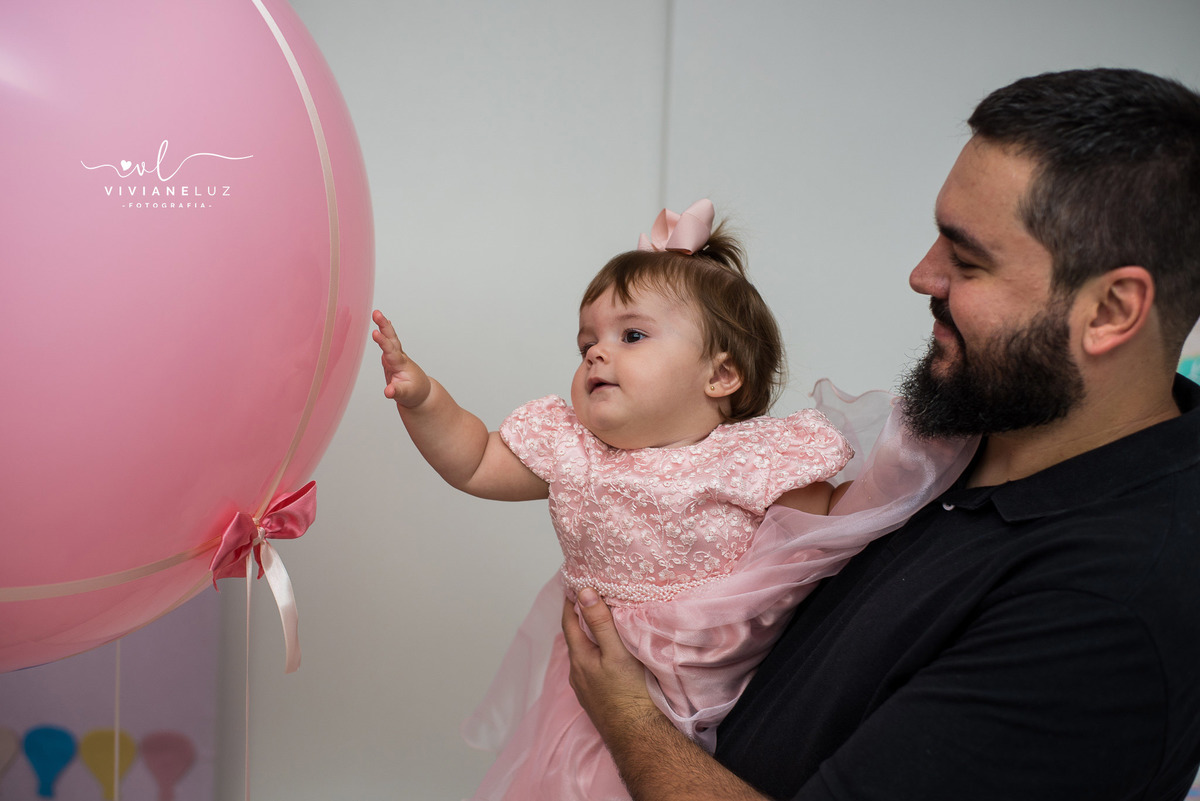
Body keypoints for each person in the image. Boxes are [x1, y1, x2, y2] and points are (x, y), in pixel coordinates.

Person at [562, 67, 1200, 800]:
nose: (920, 275)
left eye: (967, 260)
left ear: (1112, 310)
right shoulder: (971, 430)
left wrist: (626, 715)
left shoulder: (1108, 611)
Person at [372, 201, 972, 800]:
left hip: (729, 677)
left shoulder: (751, 458)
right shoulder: (573, 450)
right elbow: (476, 459)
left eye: (631, 335)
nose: (596, 354)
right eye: (587, 342)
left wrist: (911, 467)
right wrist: (424, 401)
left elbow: (828, 533)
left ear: (721, 377)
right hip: (600, 679)